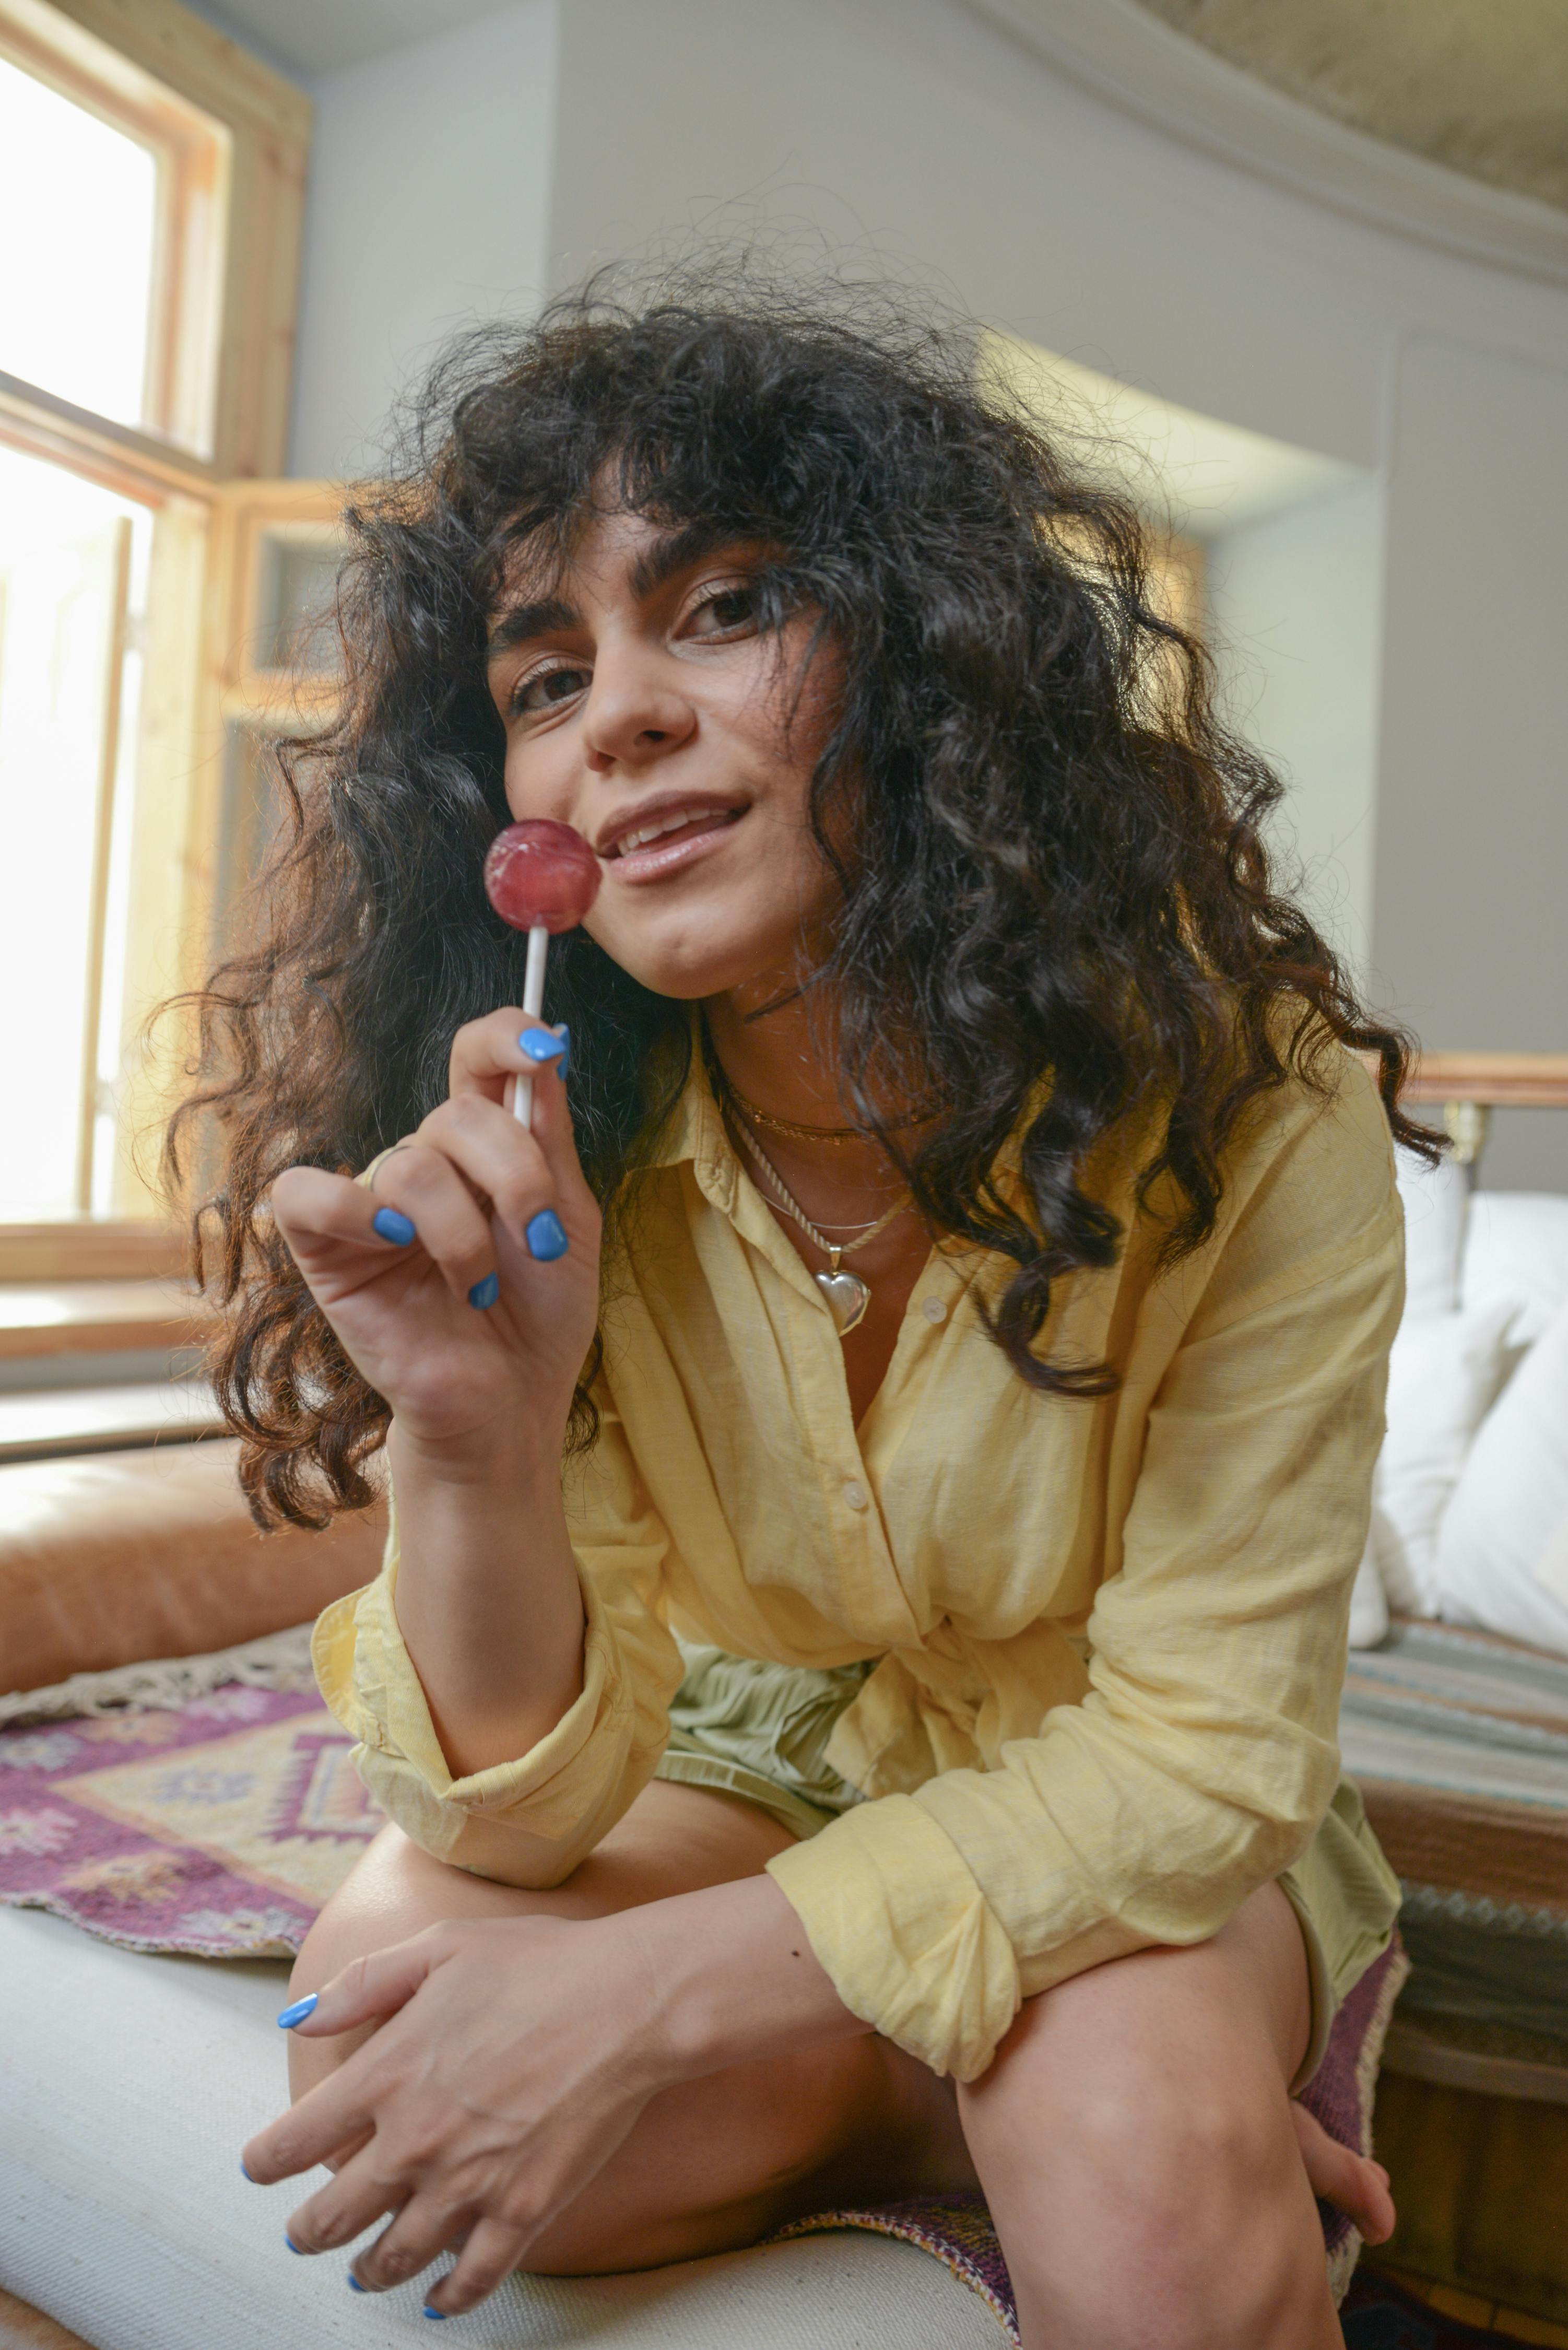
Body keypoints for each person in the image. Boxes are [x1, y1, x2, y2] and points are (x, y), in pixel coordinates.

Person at [177, 281, 1422, 2349]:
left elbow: (1199, 1762)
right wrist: (475, 1446)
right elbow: (509, 1814)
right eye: (546, 674)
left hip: (1101, 1780)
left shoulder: (1253, 1102)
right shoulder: (547, 1137)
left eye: (728, 608)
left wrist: (655, 1996)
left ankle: (1113, 2091)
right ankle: (989, 2092)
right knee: (377, 2034)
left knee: (1128, 2155)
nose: (619, 718)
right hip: (766, 1758)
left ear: (929, 660)